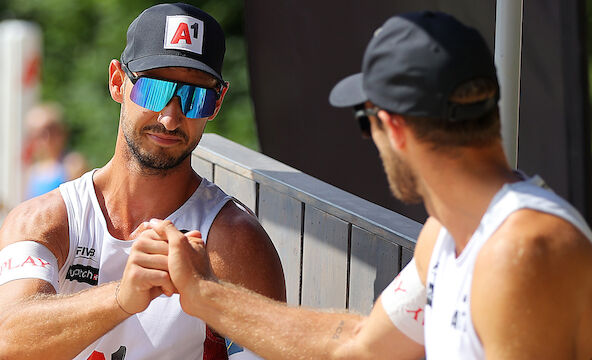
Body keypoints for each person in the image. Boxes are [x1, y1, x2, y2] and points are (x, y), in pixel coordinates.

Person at [157, 11, 592, 359]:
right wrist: (205, 293)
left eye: (366, 124)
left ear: (394, 128)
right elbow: (358, 346)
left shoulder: (522, 251)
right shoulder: (448, 236)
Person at [0, 3, 285, 360]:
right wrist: (121, 297)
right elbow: (7, 338)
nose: (171, 117)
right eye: (155, 90)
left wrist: (211, 298)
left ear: (217, 101)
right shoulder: (45, 220)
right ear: (117, 82)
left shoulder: (235, 241)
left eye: (195, 96)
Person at [22, 103, 89, 199]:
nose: (47, 138)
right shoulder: (33, 171)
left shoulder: (74, 164)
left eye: (52, 131)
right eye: (41, 134)